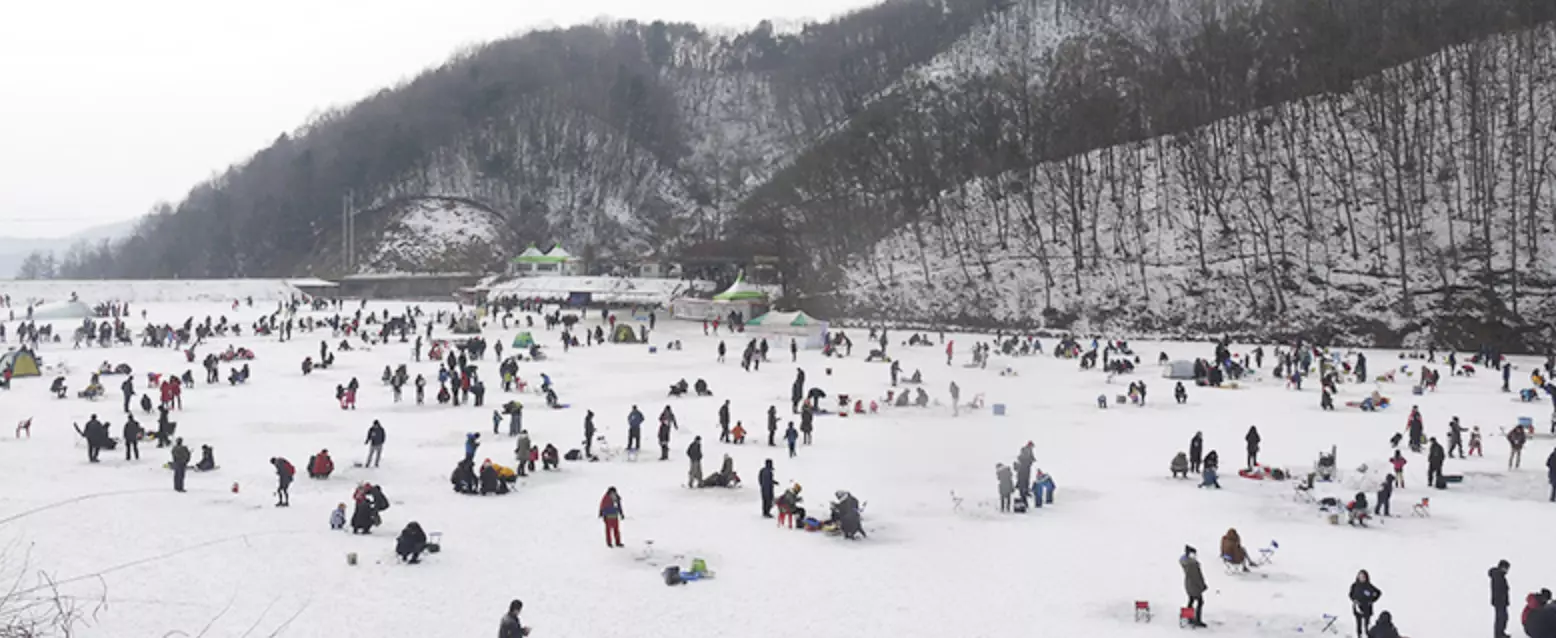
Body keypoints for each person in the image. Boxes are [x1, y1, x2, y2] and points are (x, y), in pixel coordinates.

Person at [1181, 545, 1208, 628]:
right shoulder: (1192, 565)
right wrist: (1203, 586)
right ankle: (1197, 620)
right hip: (1194, 586)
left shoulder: (1185, 562)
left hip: (1188, 584)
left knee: (1191, 600)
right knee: (1200, 601)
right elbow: (1197, 577)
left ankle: (1188, 617)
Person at [1350, 570, 1382, 637]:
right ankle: (1359, 635)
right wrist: (1354, 600)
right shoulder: (1354, 585)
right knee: (1359, 623)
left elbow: (1378, 593)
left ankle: (1368, 635)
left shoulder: (1369, 586)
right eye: (1360, 576)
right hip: (1357, 607)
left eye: (1363, 577)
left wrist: (1372, 600)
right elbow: (1350, 594)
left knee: (1366, 624)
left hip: (1366, 608)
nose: (1361, 578)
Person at [1490, 559, 1511, 638]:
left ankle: (1500, 633)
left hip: (1500, 601)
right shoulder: (1498, 576)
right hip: (1500, 602)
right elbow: (1500, 590)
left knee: (1503, 618)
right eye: (1506, 568)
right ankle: (1499, 635)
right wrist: (1503, 600)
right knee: (1501, 618)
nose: (1507, 571)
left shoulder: (1499, 576)